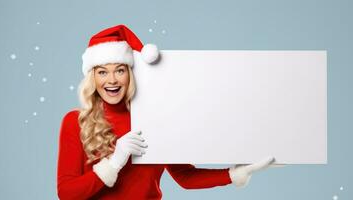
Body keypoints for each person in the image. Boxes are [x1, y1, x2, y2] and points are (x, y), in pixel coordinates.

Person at [56, 24, 275, 200]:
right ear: (92, 78)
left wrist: (236, 173)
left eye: (120, 70)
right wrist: (114, 163)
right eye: (102, 72)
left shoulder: (155, 119)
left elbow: (184, 177)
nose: (111, 80)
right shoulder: (75, 121)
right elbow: (66, 193)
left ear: (130, 74)